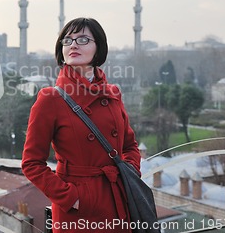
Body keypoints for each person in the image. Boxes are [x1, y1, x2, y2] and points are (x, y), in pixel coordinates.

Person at [22, 17, 141, 233]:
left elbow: (130, 146)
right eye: (67, 40)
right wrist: (72, 198)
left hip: (118, 199)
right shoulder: (50, 99)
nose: (73, 44)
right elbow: (31, 163)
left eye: (83, 39)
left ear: (99, 48)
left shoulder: (112, 93)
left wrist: (129, 174)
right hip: (79, 213)